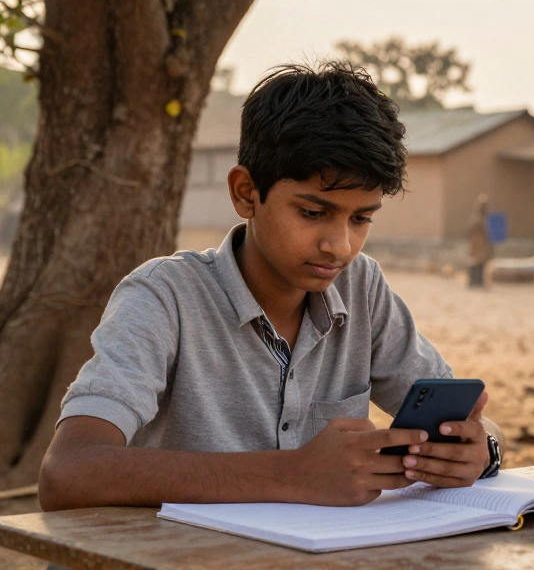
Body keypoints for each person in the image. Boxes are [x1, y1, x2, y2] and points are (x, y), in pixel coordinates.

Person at [39, 63, 504, 511]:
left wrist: (480, 449)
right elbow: (69, 471)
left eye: (361, 218)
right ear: (245, 193)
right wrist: (293, 475)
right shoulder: (164, 297)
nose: (339, 246)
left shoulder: (362, 287)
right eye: (312, 212)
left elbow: (476, 425)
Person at [466, 195, 493, 288]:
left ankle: (479, 282)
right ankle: (473, 282)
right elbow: (471, 229)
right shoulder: (476, 217)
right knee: (474, 262)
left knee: (481, 263)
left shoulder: (483, 217)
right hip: (476, 243)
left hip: (482, 244)